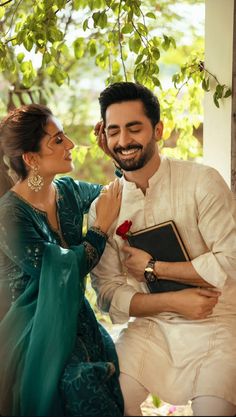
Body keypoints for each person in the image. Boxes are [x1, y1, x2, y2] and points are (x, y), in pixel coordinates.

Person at [89, 82, 236, 416]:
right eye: (114, 131)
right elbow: (108, 293)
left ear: (158, 129)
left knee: (214, 409)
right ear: (105, 138)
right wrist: (171, 301)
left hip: (219, 319)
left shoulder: (202, 181)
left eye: (133, 128)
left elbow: (231, 260)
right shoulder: (106, 206)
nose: (123, 141)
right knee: (111, 400)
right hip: (151, 326)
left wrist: (156, 268)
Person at [0, 103, 124, 417]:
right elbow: (58, 273)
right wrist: (98, 229)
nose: (69, 144)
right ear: (30, 158)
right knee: (78, 382)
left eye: (65, 136)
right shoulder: (10, 215)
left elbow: (116, 195)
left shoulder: (66, 191)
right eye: (57, 140)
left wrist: (114, 156)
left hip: (75, 316)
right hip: (32, 327)